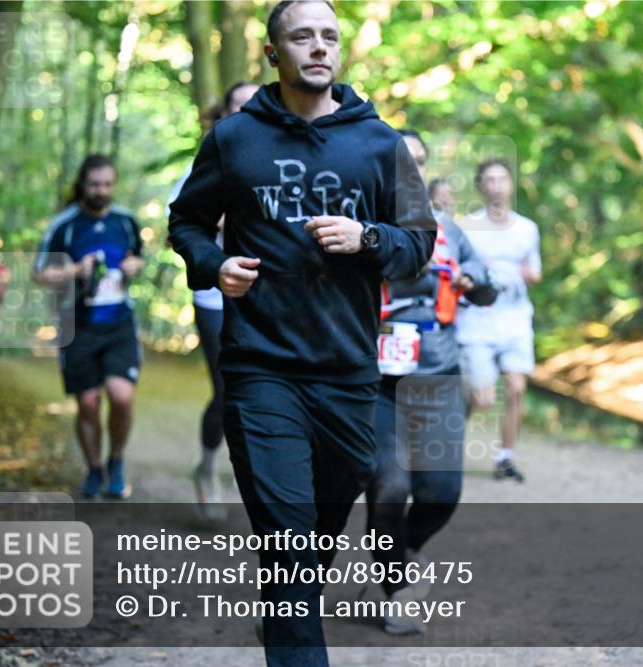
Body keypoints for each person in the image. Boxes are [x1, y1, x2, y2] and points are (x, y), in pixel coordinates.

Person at [168, 1, 435, 664]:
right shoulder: (235, 139)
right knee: (288, 541)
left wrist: (366, 236)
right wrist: (214, 264)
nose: (318, 47)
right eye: (301, 36)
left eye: (328, 36)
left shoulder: (379, 144)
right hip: (261, 367)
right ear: (273, 53)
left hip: (347, 371)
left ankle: (288, 604)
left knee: (316, 530)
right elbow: (187, 222)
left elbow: (419, 242)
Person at [366, 129, 497, 635]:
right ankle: (397, 589)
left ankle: (402, 548)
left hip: (438, 378)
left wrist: (473, 281)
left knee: (441, 492)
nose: (412, 171)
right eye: (402, 161)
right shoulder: (360, 225)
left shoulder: (448, 230)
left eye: (420, 161)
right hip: (376, 386)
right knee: (389, 487)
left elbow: (487, 287)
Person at [167, 80, 259, 520]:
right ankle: (207, 469)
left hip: (269, 297)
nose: (249, 112)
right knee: (227, 387)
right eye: (239, 105)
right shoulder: (204, 165)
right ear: (222, 114)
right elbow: (180, 230)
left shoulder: (281, 159)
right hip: (215, 297)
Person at [34, 154, 145, 500]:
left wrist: (134, 266)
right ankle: (94, 469)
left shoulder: (125, 221)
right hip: (78, 325)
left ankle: (116, 460)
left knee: (121, 397)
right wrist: (73, 270)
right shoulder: (64, 225)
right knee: (88, 402)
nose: (102, 190)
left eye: (108, 184)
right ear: (83, 184)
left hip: (119, 322)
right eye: (95, 184)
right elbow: (39, 273)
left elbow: (139, 256)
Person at [455, 158, 542, 482]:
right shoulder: (467, 228)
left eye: (502, 179)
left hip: (515, 319)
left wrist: (527, 274)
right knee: (483, 399)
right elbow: (455, 271)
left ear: (511, 185)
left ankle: (505, 458)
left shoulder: (527, 229)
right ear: (480, 187)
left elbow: (535, 271)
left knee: (517, 388)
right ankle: (451, 436)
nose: (496, 186)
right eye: (489, 180)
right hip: (477, 321)